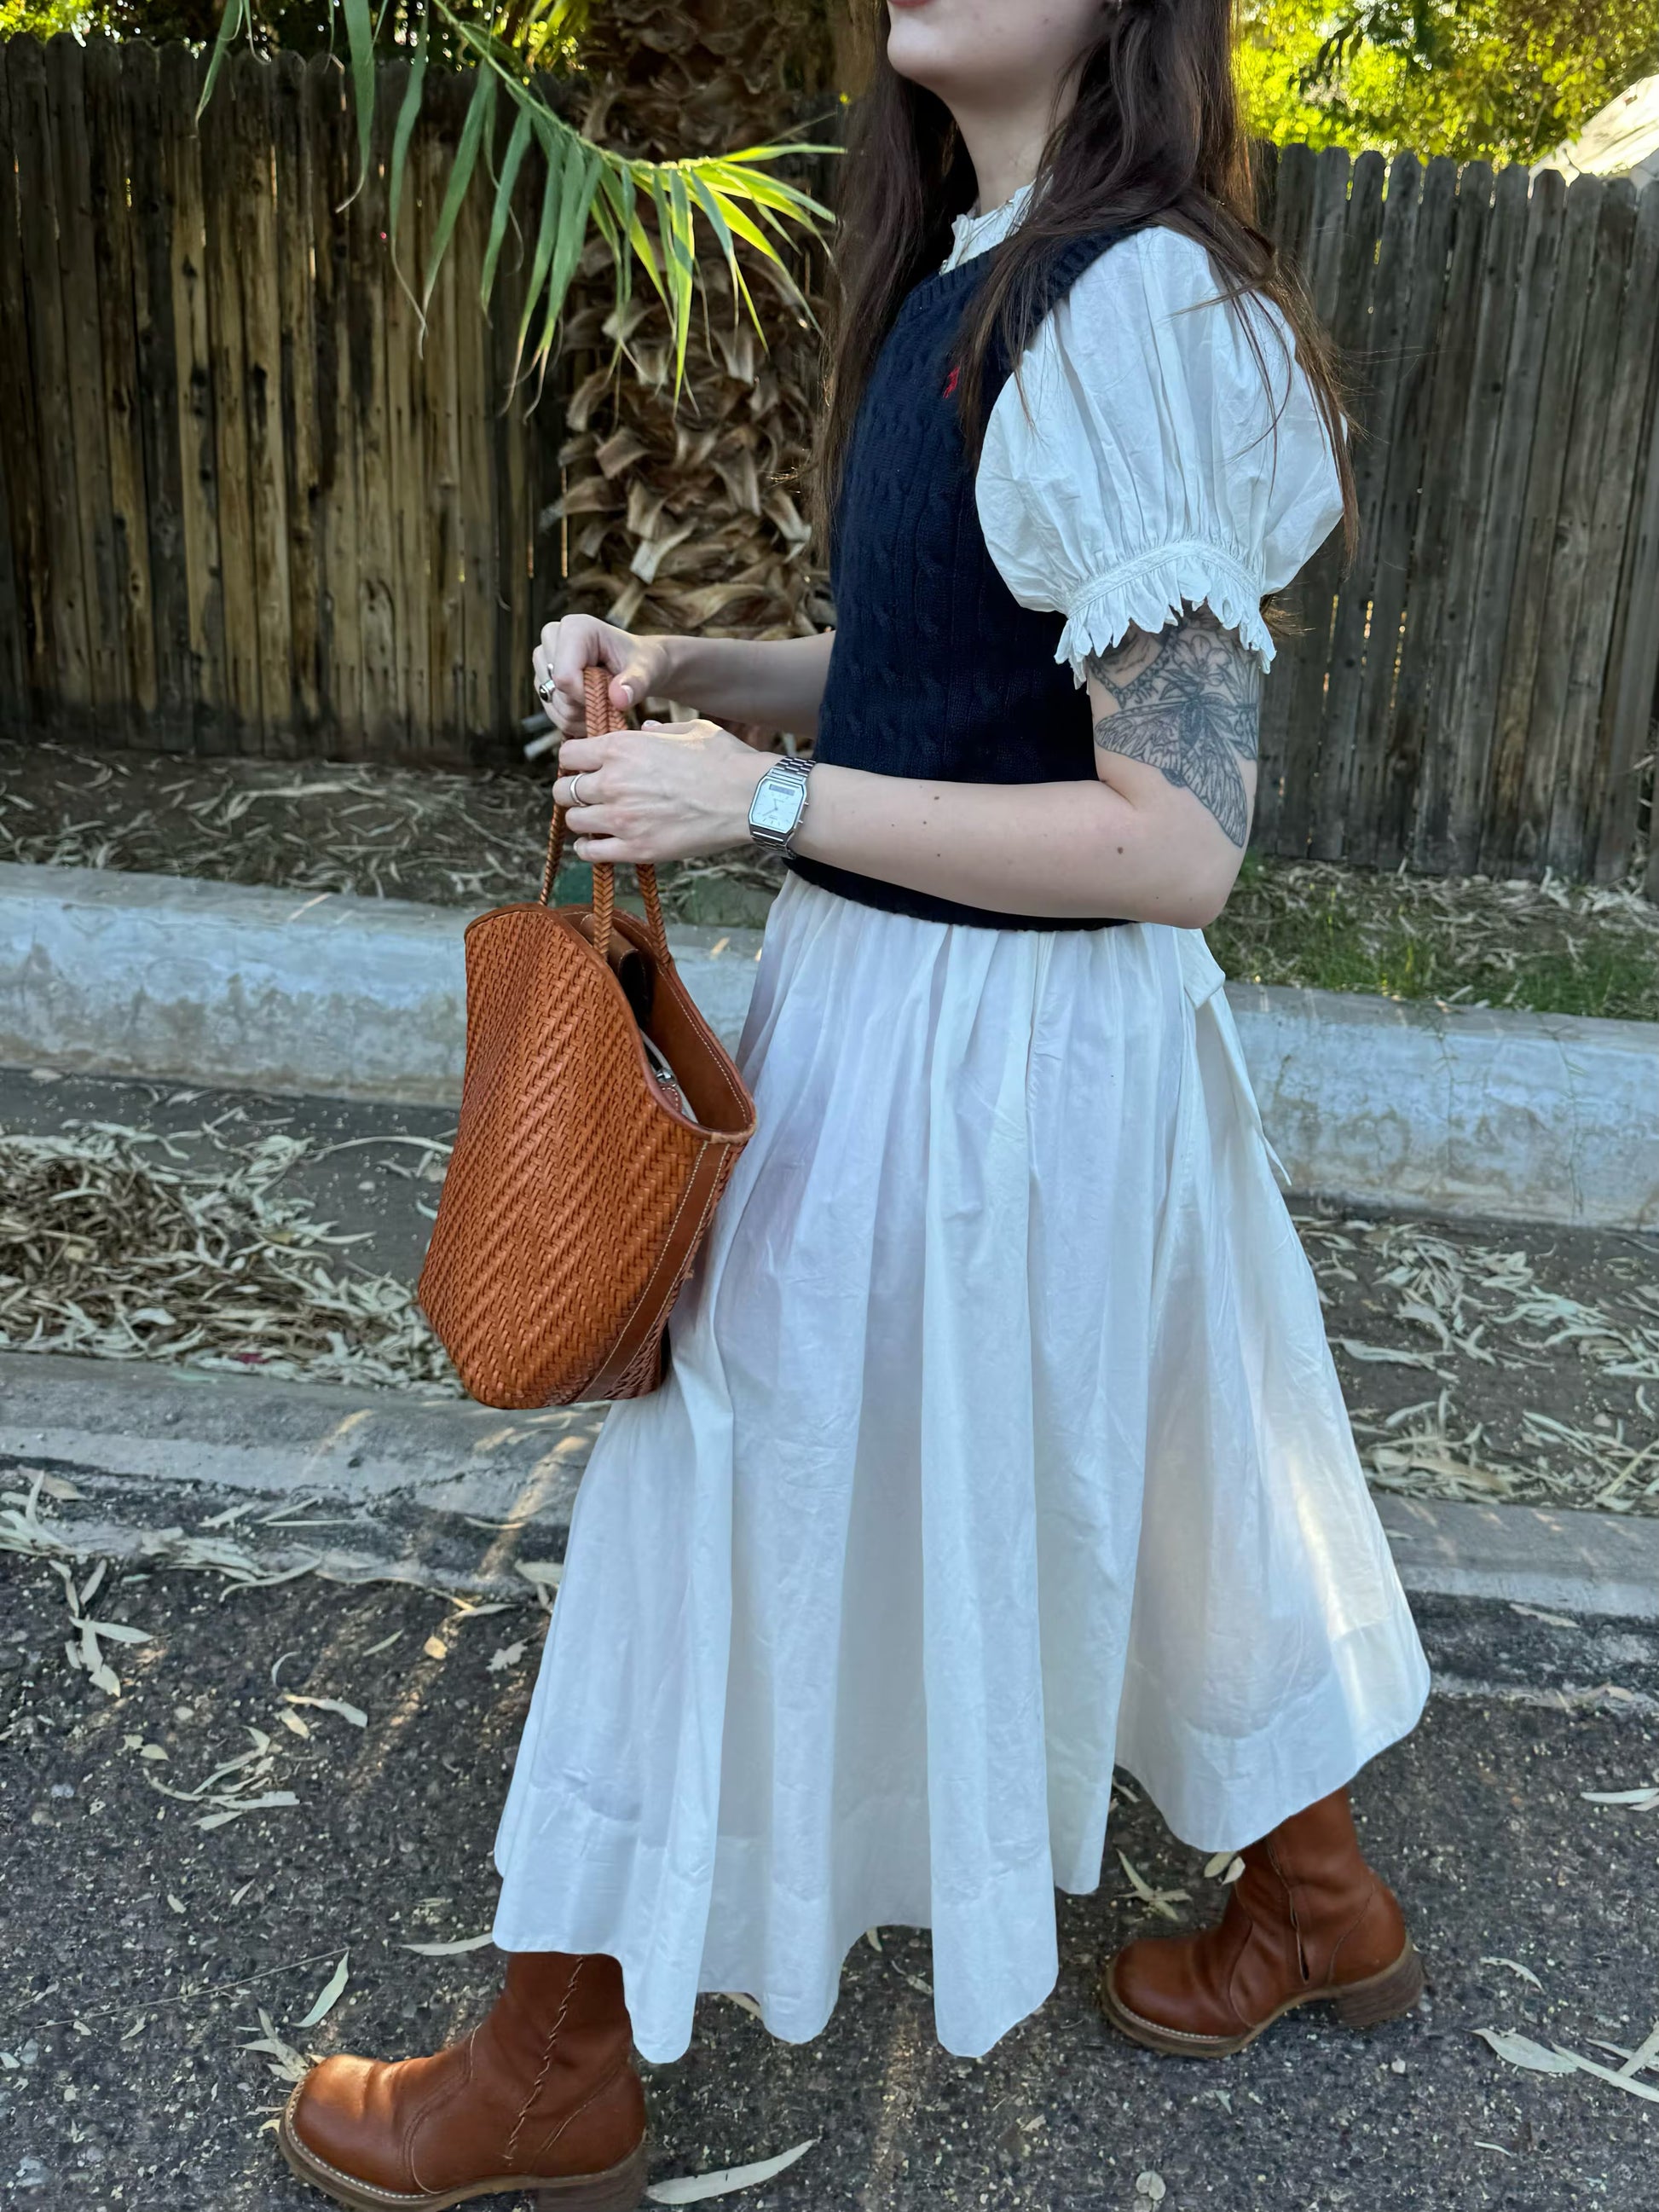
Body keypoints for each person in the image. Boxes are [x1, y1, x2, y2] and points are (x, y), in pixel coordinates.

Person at [279, 2, 1431, 2203]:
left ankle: (557, 2045)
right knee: (1165, 1439)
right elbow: (964, 668)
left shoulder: (1139, 301)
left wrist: (764, 800)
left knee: (712, 1471)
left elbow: (1175, 837)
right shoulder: (982, 271)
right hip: (962, 1026)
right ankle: (1315, 1896)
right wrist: (711, 680)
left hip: (1007, 1051)